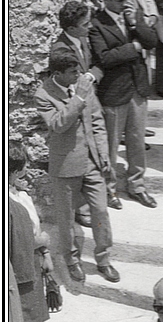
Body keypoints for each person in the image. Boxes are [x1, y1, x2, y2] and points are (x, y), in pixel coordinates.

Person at [35, 50, 117, 283]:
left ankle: (103, 259)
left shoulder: (82, 85)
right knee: (66, 218)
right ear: (58, 73)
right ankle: (71, 260)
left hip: (91, 161)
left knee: (101, 210)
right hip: (65, 166)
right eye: (73, 72)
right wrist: (78, 99)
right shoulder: (43, 95)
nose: (79, 75)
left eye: (79, 70)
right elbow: (58, 124)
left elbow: (98, 121)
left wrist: (103, 155)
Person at [88, 0, 158, 208]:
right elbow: (105, 57)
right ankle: (109, 190)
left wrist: (135, 24)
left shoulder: (132, 15)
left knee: (137, 142)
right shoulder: (97, 24)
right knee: (111, 145)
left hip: (137, 89)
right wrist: (134, 48)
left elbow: (151, 40)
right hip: (115, 92)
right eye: (119, 1)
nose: (123, 4)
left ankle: (137, 185)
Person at [8, 141, 54, 322]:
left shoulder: (18, 193)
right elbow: (17, 241)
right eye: (24, 167)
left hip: (31, 264)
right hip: (18, 273)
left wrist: (45, 253)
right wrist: (40, 241)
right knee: (19, 321)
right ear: (14, 171)